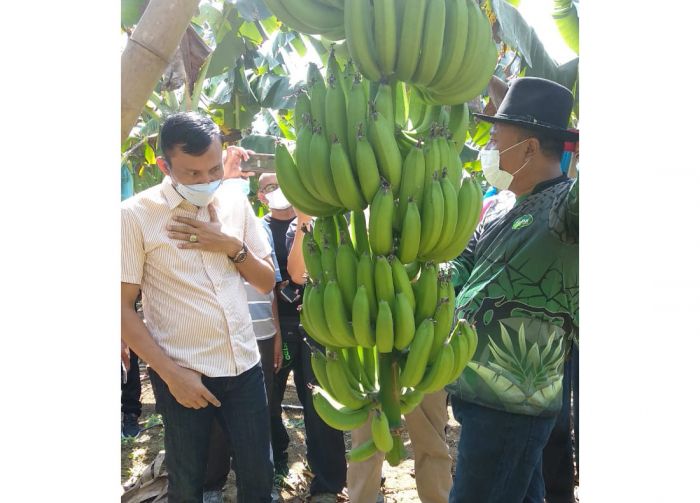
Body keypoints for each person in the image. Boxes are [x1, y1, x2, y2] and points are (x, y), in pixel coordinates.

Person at [121, 112, 276, 502]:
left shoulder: (234, 202)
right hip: (183, 374)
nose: (206, 180)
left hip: (244, 366)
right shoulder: (136, 216)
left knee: (259, 476)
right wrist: (171, 375)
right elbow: (119, 308)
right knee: (188, 480)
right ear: (165, 166)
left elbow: (266, 280)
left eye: (212, 168)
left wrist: (228, 245)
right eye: (192, 174)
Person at [446, 77, 579, 503]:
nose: (489, 147)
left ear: (528, 149)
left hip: (514, 404)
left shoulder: (567, 208)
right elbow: (464, 264)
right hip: (474, 394)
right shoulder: (498, 203)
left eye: (497, 137)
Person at [202, 177, 285, 503]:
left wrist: (277, 333)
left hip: (263, 334)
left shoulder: (260, 232)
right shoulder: (211, 229)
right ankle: (213, 483)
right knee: (218, 413)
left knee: (259, 411)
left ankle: (262, 481)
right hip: (226, 331)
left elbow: (271, 284)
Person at [265, 179, 347, 503]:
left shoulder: (345, 222)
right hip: (293, 328)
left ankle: (328, 482)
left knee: (319, 404)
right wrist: (303, 221)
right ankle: (277, 460)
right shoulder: (292, 228)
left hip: (326, 327)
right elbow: (297, 272)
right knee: (278, 393)